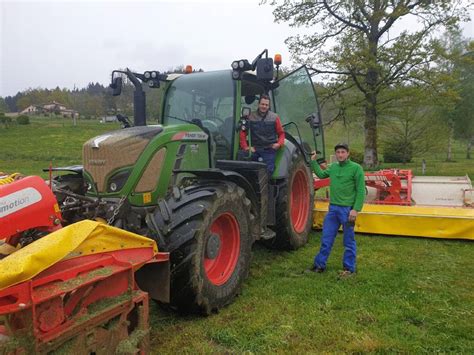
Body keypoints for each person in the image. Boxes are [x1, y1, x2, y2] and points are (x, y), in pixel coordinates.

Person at [308, 143, 365, 277]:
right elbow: (321, 174)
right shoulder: (333, 167)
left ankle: (349, 268)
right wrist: (313, 162)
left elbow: (361, 191)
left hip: (347, 210)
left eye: (343, 152)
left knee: (348, 240)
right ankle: (319, 265)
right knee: (326, 238)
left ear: (348, 153)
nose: (340, 155)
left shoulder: (356, 168)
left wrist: (355, 209)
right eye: (338, 152)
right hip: (333, 209)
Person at [239, 94, 285, 175]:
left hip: (269, 149)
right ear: (258, 104)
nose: (264, 106)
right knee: (242, 164)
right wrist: (246, 147)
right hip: (255, 149)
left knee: (268, 170)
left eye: (266, 105)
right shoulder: (250, 117)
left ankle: (266, 186)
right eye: (262, 104)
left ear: (268, 106)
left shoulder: (274, 117)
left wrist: (279, 144)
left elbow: (281, 133)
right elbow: (243, 133)